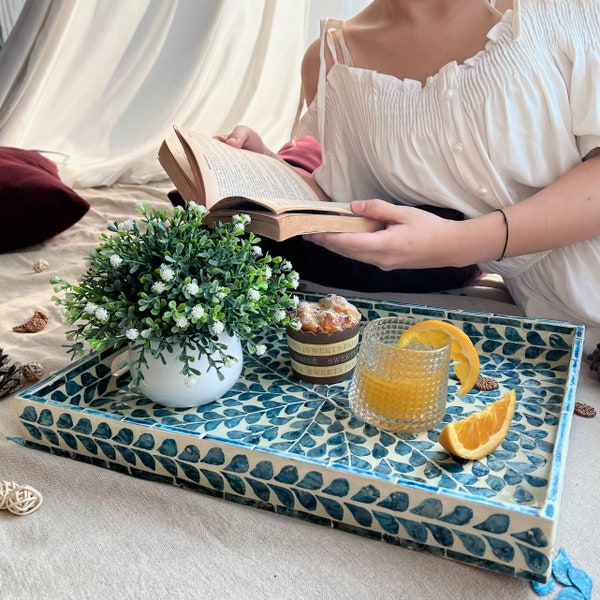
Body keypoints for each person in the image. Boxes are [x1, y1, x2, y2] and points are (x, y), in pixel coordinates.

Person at [222, 0, 600, 350]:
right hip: (555, 330)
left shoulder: (557, 7)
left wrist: (460, 242)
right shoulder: (333, 61)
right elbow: (350, 202)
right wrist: (267, 171)